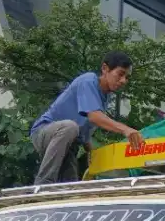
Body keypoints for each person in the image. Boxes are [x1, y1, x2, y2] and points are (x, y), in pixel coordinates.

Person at [29, 51, 145, 185]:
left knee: (70, 188)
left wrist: (93, 154)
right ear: (105, 69)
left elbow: (85, 130)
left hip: (69, 145)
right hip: (44, 132)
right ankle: (42, 184)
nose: (124, 80)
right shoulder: (88, 80)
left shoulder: (104, 97)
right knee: (70, 126)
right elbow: (94, 117)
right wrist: (126, 130)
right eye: (120, 74)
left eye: (127, 77)